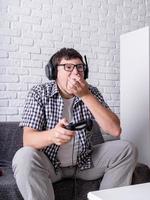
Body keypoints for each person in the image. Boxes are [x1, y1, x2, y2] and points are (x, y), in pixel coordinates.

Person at [12, 47, 137, 200]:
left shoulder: (91, 92)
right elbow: (28, 140)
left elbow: (115, 130)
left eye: (80, 67)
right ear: (53, 72)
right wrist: (53, 135)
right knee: (23, 155)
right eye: (68, 67)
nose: (76, 72)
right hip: (51, 166)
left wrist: (85, 95)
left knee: (126, 149)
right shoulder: (39, 93)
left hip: (84, 162)